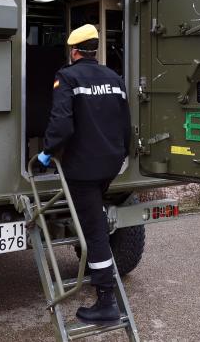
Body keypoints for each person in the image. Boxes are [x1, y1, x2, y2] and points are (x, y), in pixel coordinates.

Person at [37, 23, 131, 324]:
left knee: (94, 232)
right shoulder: (114, 78)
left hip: (82, 170)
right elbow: (125, 122)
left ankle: (106, 302)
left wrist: (47, 152)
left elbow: (62, 124)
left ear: (74, 51)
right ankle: (103, 283)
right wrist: (123, 153)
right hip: (111, 165)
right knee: (95, 221)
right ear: (94, 50)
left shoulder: (67, 77)